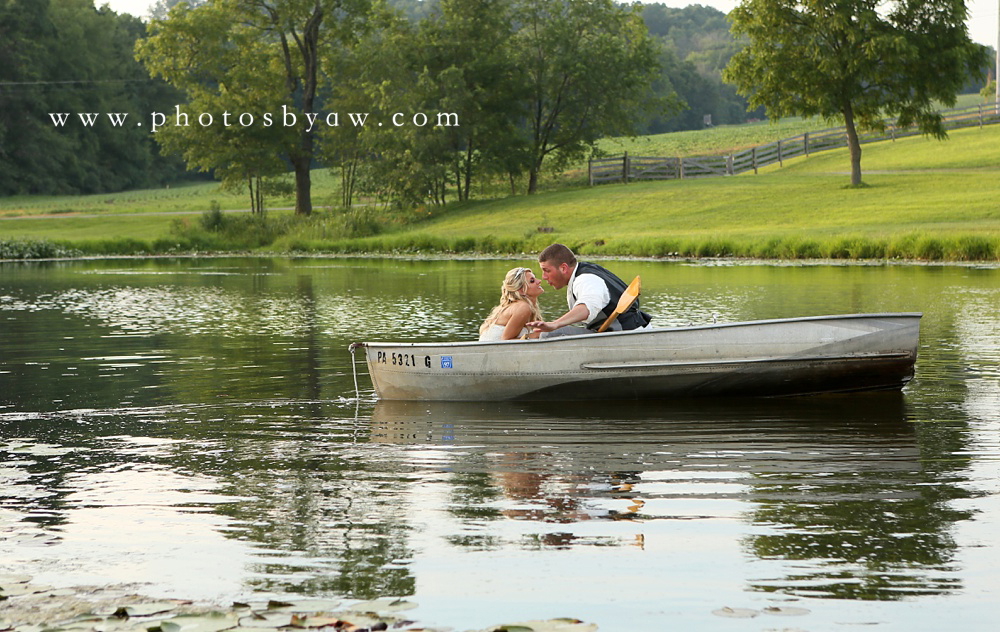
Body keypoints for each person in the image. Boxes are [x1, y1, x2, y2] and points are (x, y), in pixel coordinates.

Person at [527, 243, 651, 337]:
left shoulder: (586, 280)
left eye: (547, 270)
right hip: (614, 334)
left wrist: (555, 324)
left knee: (549, 334)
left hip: (629, 335)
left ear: (563, 268)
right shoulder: (583, 271)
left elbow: (586, 307)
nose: (543, 277)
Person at [478, 266, 545, 341]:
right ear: (521, 290)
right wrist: (536, 335)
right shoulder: (522, 307)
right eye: (532, 281)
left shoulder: (518, 306)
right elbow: (505, 341)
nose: (539, 281)